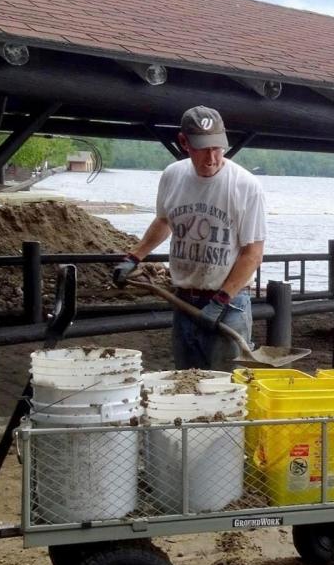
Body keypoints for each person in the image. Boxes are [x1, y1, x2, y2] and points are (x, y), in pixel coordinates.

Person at [113, 106, 267, 372]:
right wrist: (134, 256)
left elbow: (252, 253)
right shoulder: (173, 176)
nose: (211, 157)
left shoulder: (246, 186)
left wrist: (222, 299)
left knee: (226, 387)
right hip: (184, 301)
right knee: (186, 380)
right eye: (203, 148)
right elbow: (164, 221)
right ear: (184, 142)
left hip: (230, 306)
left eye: (217, 148)